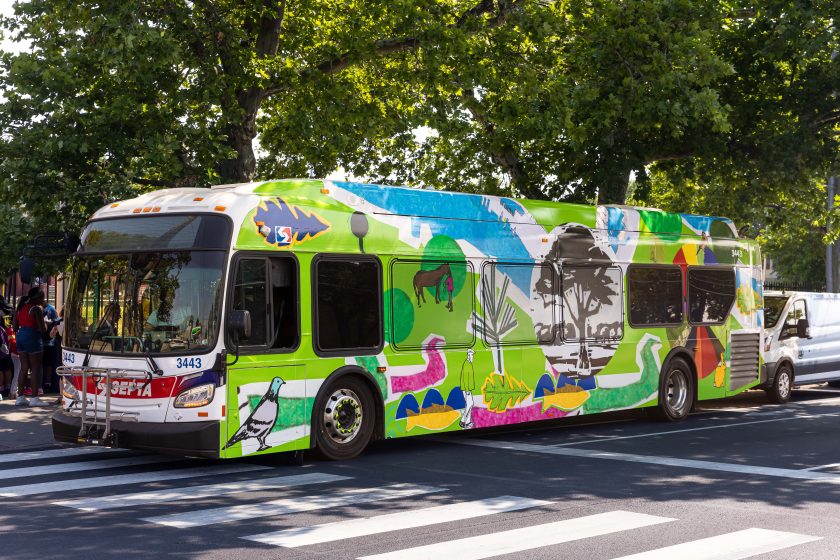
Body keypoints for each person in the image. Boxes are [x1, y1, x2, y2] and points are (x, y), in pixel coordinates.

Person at [13, 287, 49, 407]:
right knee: (35, 368)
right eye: (42, 297)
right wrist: (46, 324)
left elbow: (14, 327)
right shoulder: (36, 309)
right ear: (37, 297)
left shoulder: (20, 307)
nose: (43, 299)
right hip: (32, 336)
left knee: (24, 367)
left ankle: (20, 397)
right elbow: (43, 329)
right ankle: (34, 398)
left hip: (20, 336)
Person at [42, 299, 60, 394]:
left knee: (48, 364)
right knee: (44, 364)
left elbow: (55, 324)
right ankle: (45, 383)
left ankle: (47, 384)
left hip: (49, 342)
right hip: (44, 341)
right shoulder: (42, 309)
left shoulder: (50, 310)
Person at [0, 314, 13, 399]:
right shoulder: (3, 327)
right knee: (7, 368)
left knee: (0, 369)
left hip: (1, 351)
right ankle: (7, 387)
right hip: (6, 350)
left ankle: (1, 388)